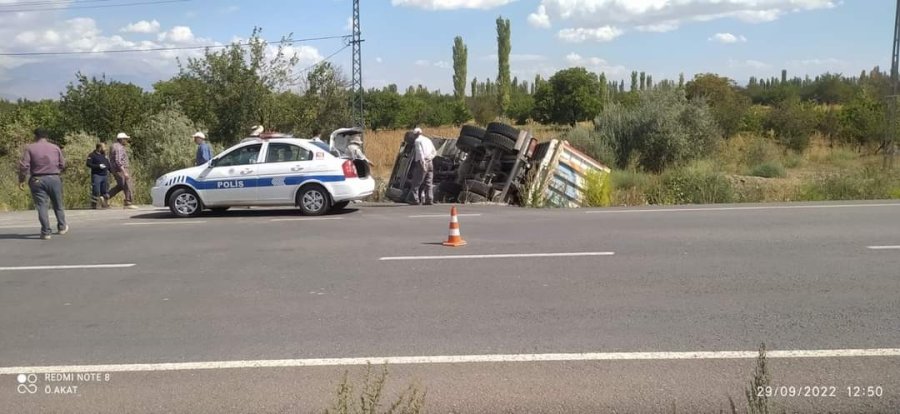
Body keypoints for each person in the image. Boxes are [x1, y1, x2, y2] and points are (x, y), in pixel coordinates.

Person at [18, 128, 68, 240]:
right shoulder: (55, 147)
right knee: (58, 203)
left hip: (37, 179)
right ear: (46, 136)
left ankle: (46, 232)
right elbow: (62, 164)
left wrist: (21, 180)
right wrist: (56, 171)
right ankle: (62, 227)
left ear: (35, 136)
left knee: (41, 206)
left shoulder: (30, 148)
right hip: (54, 177)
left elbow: (24, 166)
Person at [108, 132, 138, 209]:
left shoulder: (113, 146)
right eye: (126, 139)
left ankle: (106, 196)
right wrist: (124, 172)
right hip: (121, 169)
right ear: (121, 140)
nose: (127, 141)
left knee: (121, 186)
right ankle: (128, 202)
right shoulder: (119, 147)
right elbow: (118, 161)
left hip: (115, 169)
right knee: (127, 184)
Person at [409, 127, 436, 205]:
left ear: (415, 134)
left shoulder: (417, 141)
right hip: (430, 162)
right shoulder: (428, 140)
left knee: (416, 182)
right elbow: (434, 152)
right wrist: (429, 159)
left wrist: (423, 163)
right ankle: (429, 199)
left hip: (422, 163)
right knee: (429, 182)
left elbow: (420, 153)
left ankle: (415, 200)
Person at [86, 143, 111, 209]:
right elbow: (88, 164)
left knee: (104, 191)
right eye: (104, 147)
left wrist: (112, 171)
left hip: (105, 175)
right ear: (99, 148)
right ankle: (94, 204)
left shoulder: (104, 155)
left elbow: (108, 164)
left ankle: (105, 204)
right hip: (96, 175)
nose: (105, 149)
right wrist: (98, 166)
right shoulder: (92, 155)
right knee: (96, 191)